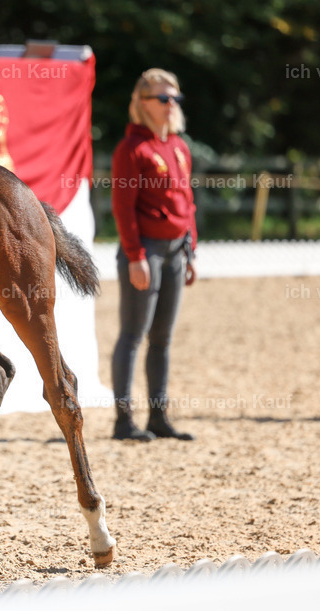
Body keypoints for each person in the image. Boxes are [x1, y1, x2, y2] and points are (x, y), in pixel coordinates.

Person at [110, 68, 198, 441]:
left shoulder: (178, 146)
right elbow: (123, 208)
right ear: (141, 103)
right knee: (133, 334)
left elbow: (186, 200)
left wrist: (191, 248)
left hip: (176, 251)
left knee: (162, 337)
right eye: (162, 99)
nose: (169, 106)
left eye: (174, 98)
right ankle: (123, 420)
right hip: (145, 251)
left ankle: (158, 417)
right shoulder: (131, 149)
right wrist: (135, 256)